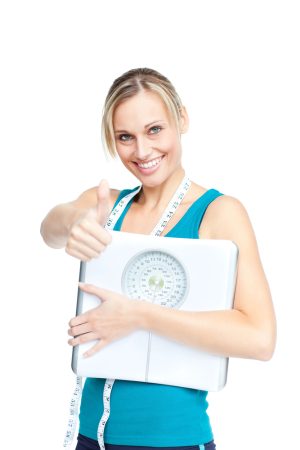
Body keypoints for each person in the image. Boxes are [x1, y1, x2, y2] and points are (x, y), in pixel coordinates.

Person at [40, 67, 277, 450]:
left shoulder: (218, 212)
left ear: (181, 118)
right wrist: (73, 222)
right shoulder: (106, 205)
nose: (143, 151)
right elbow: (49, 229)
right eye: (125, 137)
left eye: (155, 130)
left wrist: (139, 315)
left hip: (172, 440)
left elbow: (260, 338)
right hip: (89, 438)